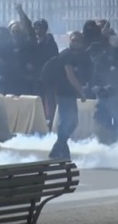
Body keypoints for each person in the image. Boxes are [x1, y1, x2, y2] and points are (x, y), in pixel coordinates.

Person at [42, 31, 90, 160]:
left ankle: (59, 147)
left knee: (73, 122)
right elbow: (71, 76)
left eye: (77, 41)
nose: (75, 43)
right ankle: (61, 149)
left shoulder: (79, 55)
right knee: (66, 121)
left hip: (70, 93)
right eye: (73, 40)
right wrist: (82, 92)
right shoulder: (66, 55)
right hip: (64, 92)